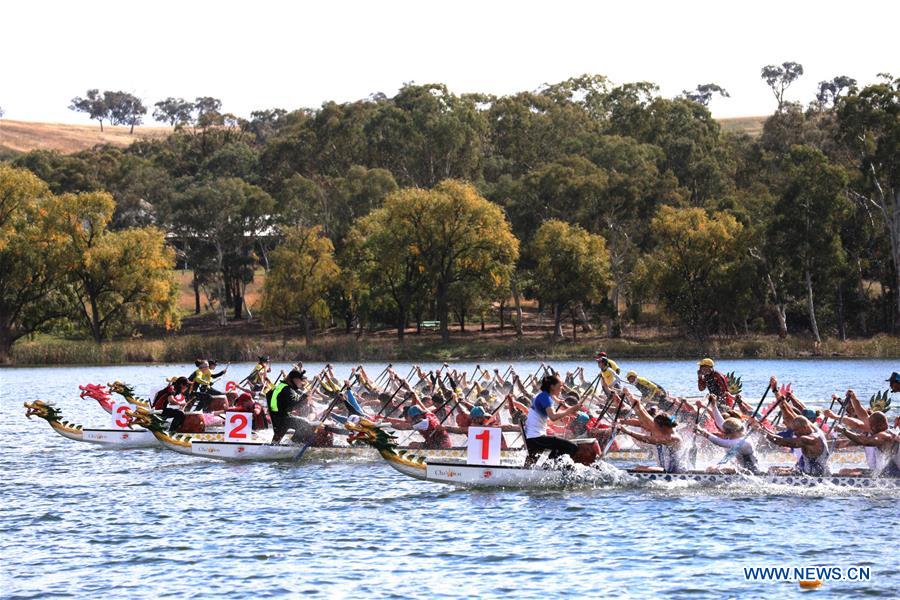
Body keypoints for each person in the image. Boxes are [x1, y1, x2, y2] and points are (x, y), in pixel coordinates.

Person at [523, 374, 586, 464]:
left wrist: (563, 409)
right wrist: (571, 409)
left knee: (558, 446)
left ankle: (550, 466)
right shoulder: (545, 398)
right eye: (560, 386)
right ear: (552, 386)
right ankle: (556, 469)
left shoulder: (542, 395)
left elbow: (550, 415)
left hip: (533, 437)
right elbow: (553, 417)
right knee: (572, 447)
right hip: (536, 439)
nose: (562, 389)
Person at [618, 391, 686, 473]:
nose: (653, 427)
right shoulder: (667, 429)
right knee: (639, 468)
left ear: (663, 426)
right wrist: (637, 405)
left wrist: (626, 431)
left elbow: (648, 439)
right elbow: (646, 421)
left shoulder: (672, 438)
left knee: (639, 469)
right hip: (665, 469)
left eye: (656, 426)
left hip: (675, 472)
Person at [836, 411, 900, 477]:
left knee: (847, 473)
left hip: (893, 474)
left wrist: (843, 430)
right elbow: (850, 442)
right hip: (885, 472)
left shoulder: (885, 436)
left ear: (875, 426)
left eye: (870, 425)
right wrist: (833, 444)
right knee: (844, 471)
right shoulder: (882, 434)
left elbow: (864, 441)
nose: (868, 427)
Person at [763, 416, 831, 476]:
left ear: (805, 427)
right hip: (810, 472)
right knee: (772, 469)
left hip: (815, 476)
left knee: (772, 473)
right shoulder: (817, 430)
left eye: (796, 430)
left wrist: (764, 433)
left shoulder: (811, 439)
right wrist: (782, 403)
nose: (794, 433)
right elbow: (795, 415)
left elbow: (784, 442)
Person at [694, 417, 760, 474]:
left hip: (751, 472)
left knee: (715, 469)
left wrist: (702, 431)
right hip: (741, 470)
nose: (725, 435)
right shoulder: (737, 433)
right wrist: (713, 405)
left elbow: (721, 443)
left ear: (734, 431)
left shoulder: (744, 442)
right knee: (710, 468)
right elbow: (721, 423)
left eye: (726, 433)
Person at [266, 369, 309, 444]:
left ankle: (274, 444)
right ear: (294, 379)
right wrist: (305, 397)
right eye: (301, 380)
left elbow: (268, 394)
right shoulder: (287, 389)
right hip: (283, 418)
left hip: (277, 417)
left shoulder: (281, 386)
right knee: (305, 424)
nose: (302, 382)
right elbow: (295, 404)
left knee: (276, 441)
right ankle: (293, 444)